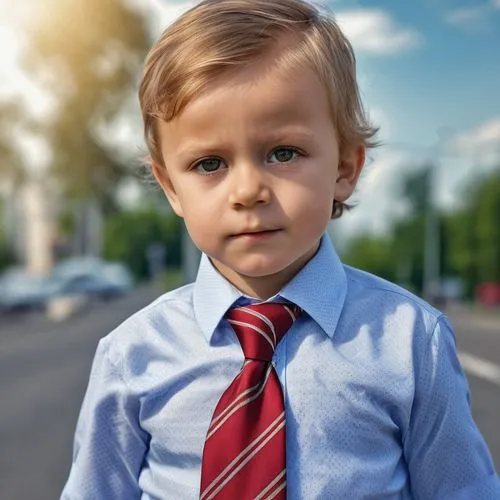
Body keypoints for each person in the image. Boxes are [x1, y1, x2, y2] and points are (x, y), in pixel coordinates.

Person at [61, 0, 500, 498]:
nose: (248, 190)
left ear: (344, 169)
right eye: (209, 164)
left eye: (283, 153)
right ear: (170, 188)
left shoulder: (410, 343)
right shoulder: (132, 354)